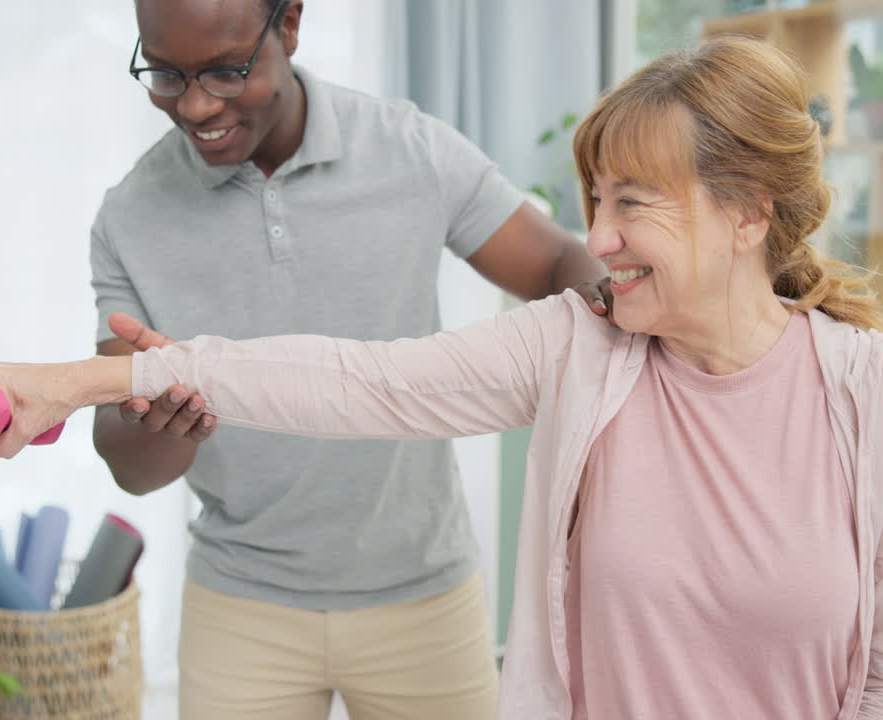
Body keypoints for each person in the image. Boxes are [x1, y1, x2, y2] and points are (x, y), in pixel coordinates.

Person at [0, 35, 883, 719]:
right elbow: (356, 382)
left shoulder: (873, 395)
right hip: (249, 581)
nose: (598, 238)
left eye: (633, 205)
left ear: (747, 215)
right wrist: (77, 382)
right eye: (595, 202)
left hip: (415, 587)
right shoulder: (576, 348)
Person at [90, 0, 609, 717]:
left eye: (226, 70)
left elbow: (555, 259)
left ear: (291, 24)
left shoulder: (410, 149)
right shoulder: (130, 217)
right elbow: (129, 466)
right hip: (242, 607)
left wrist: (621, 304)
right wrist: (157, 425)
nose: (196, 104)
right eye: (167, 74)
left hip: (422, 595)